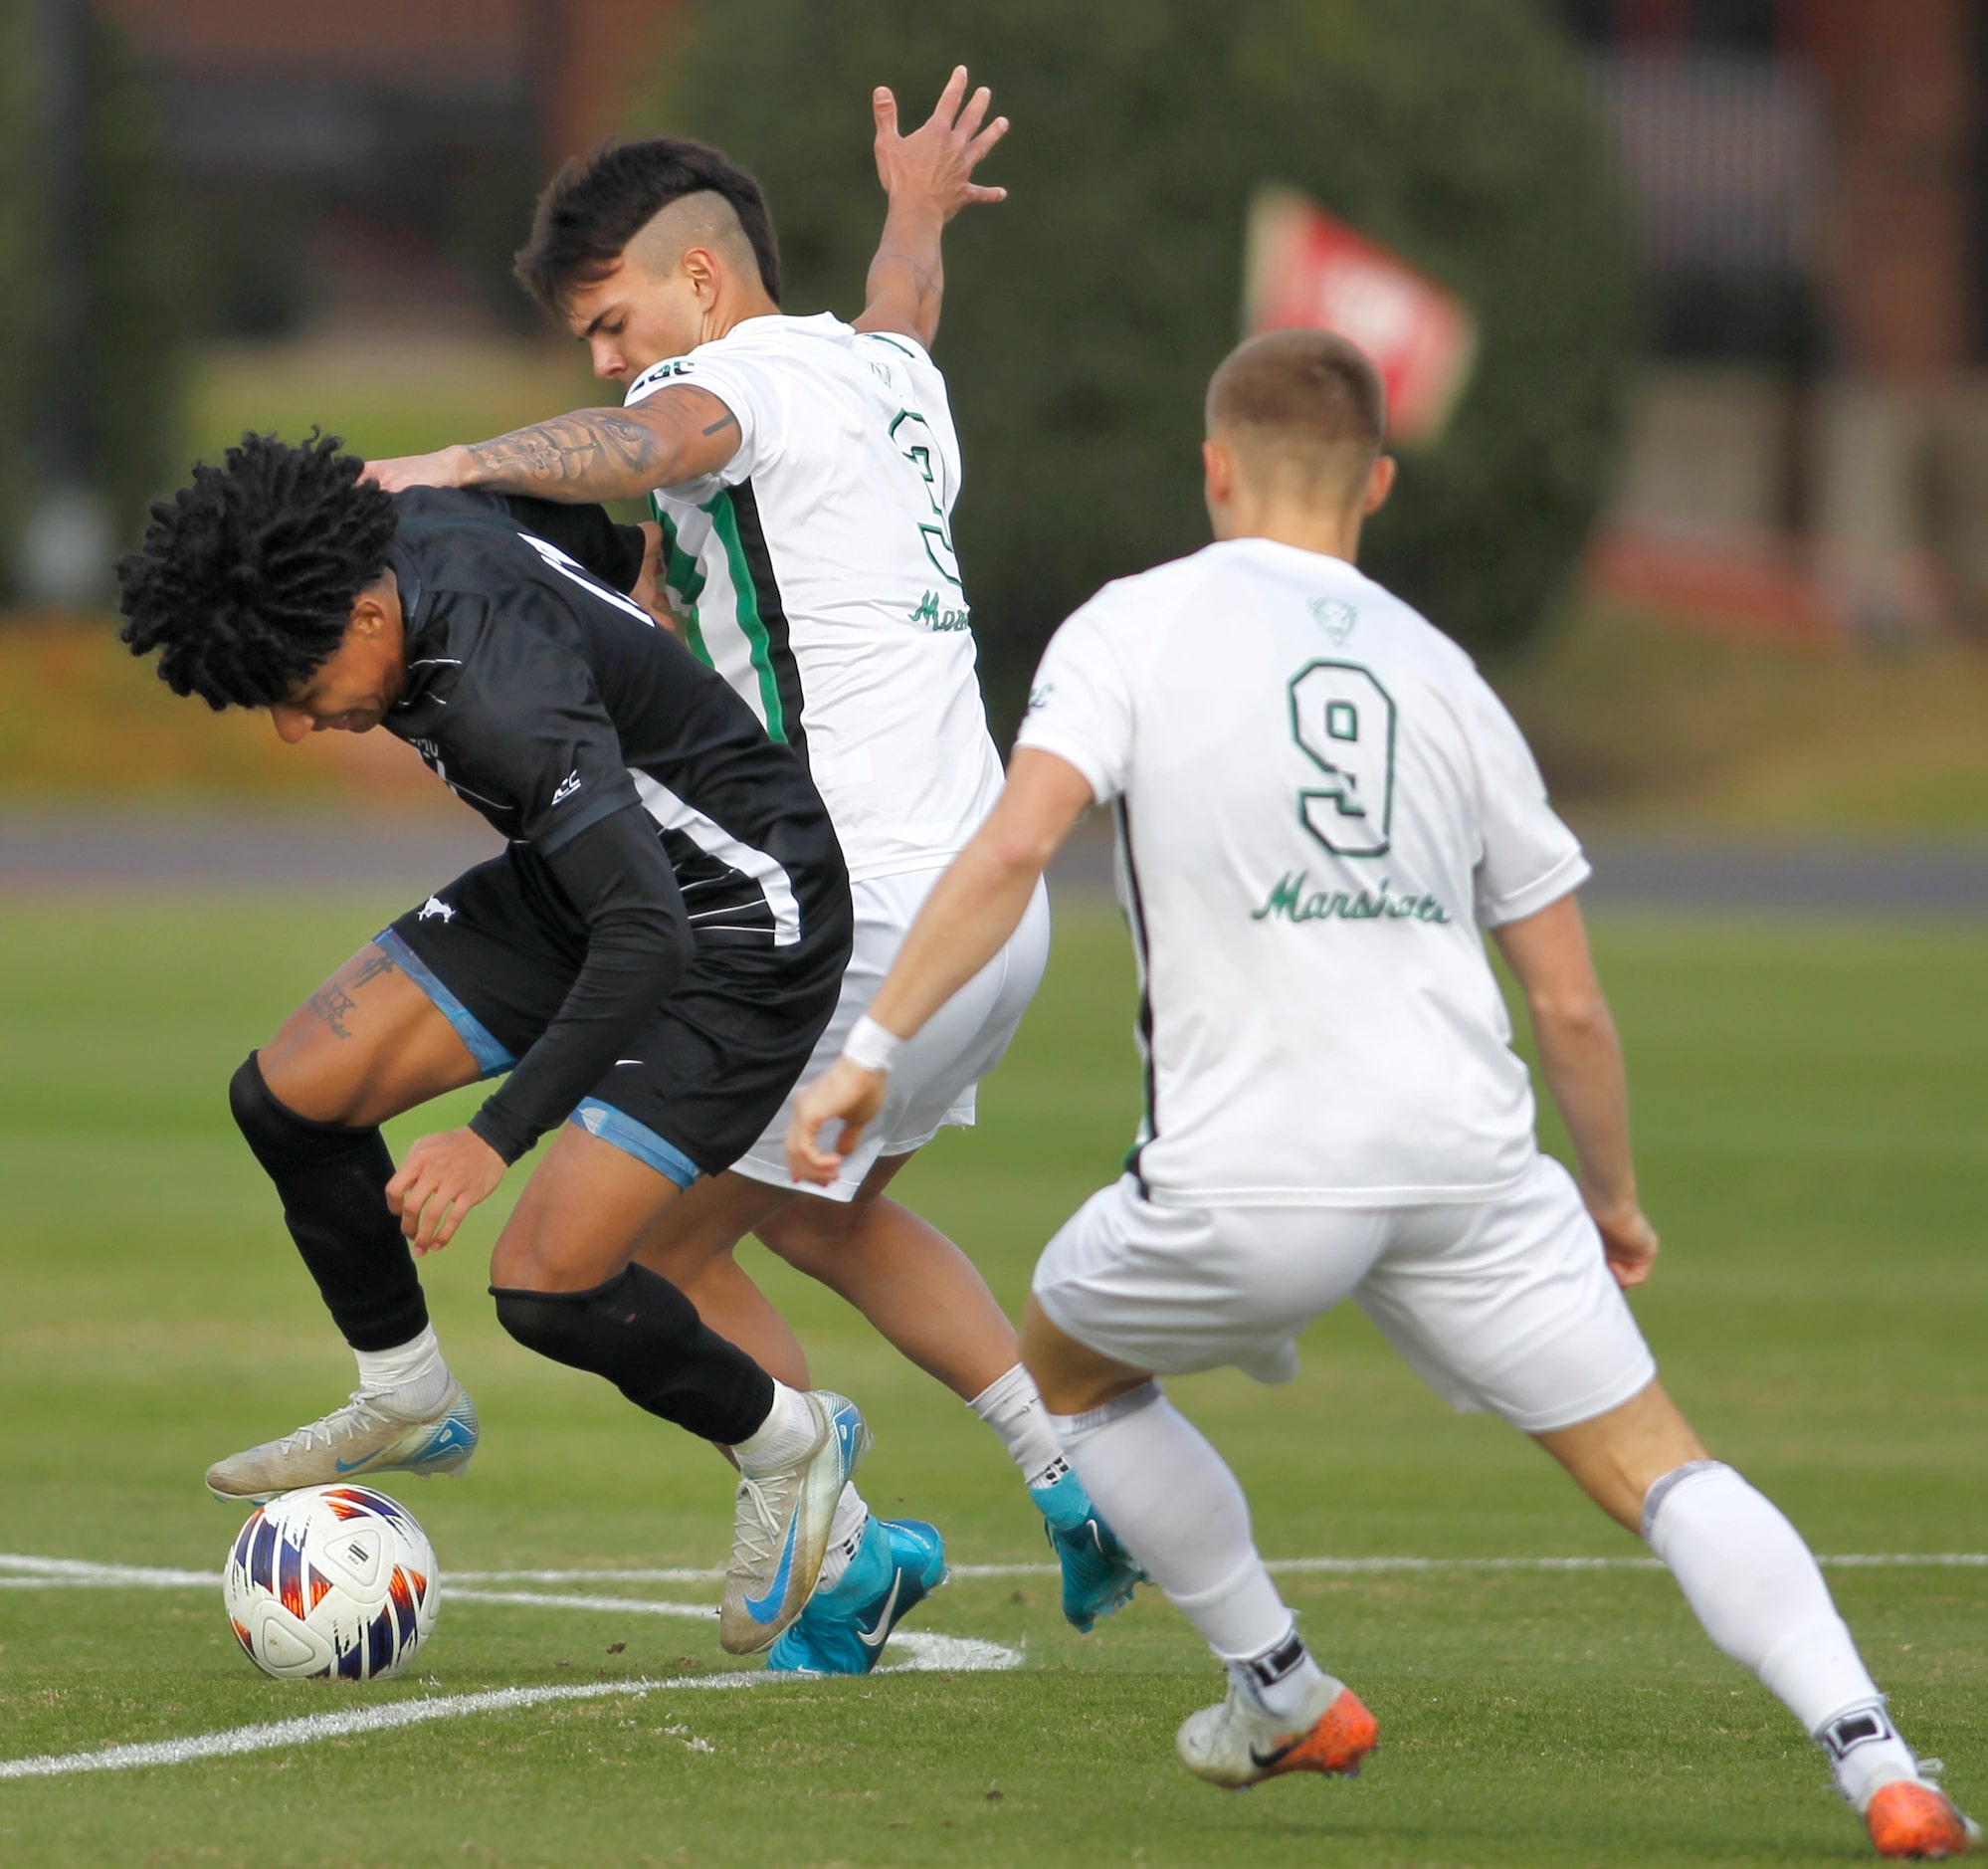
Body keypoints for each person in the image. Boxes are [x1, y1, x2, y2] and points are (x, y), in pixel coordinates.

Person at [783, 329, 1978, 1859]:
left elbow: (1012, 849)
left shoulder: (1129, 627)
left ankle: (1276, 1682)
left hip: (1246, 1173)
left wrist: (868, 1049)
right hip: (1468, 1163)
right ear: (1381, 485)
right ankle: (1876, 1756)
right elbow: (1565, 999)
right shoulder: (1443, 672)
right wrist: (1607, 1199)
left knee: (1065, 1372)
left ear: (1212, 468)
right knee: (1663, 1467)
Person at [366, 69, 1142, 1674]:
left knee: (614, 1256)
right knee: (825, 1215)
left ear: (698, 283)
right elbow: (901, 300)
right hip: (988, 904)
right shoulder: (879, 368)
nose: (604, 355)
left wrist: (443, 469)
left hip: (852, 903)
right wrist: (915, 214)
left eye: (610, 315)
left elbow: (644, 435)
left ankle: (845, 1553)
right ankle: (1077, 1478)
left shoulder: (737, 378)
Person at [116, 432, 870, 1659]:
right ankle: (407, 1392)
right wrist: (632, 609)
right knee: (291, 1097)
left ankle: (791, 1442)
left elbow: (650, 937)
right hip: (597, 884)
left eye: (298, 688)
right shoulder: (398, 529)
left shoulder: (501, 704)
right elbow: (583, 537)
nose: (298, 729)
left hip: (743, 928)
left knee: (544, 1285)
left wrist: (489, 1138)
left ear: (368, 614)